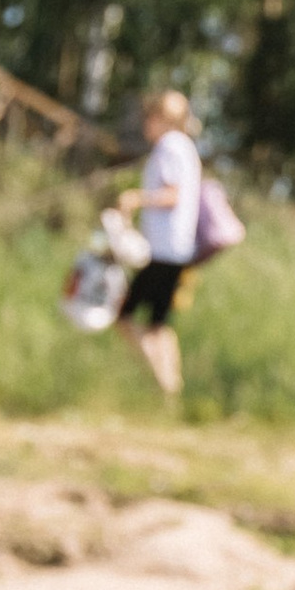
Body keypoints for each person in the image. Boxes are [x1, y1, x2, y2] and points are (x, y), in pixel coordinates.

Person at [118, 90, 202, 399]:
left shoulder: (169, 146)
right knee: (159, 323)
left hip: (162, 250)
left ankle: (162, 387)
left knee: (123, 314)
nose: (145, 123)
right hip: (179, 249)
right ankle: (173, 392)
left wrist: (136, 199)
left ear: (161, 119)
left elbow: (173, 195)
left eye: (149, 117)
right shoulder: (187, 148)